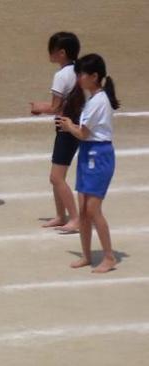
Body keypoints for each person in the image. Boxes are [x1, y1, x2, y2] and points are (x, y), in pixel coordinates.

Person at [56, 54, 120, 274]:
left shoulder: (98, 101)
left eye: (83, 74)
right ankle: (86, 255)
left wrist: (68, 125)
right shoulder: (93, 100)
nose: (79, 77)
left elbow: (83, 133)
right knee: (83, 209)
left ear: (94, 76)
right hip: (88, 154)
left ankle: (109, 256)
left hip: (98, 155)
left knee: (92, 210)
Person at [29, 32, 82, 234]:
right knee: (58, 175)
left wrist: (37, 107)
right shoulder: (78, 70)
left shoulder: (61, 75)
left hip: (66, 129)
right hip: (73, 125)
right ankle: (61, 216)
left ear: (61, 53)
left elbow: (55, 106)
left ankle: (74, 218)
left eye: (52, 49)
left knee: (56, 177)